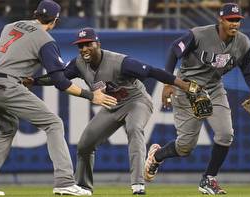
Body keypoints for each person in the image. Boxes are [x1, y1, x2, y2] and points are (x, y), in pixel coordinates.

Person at [0, 0, 117, 196]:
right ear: (55, 20)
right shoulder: (45, 40)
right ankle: (65, 182)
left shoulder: (11, 26)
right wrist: (91, 96)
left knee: (6, 129)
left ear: (35, 13)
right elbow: (61, 82)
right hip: (5, 85)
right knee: (54, 124)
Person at [25, 27, 192, 195]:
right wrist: (35, 81)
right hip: (112, 105)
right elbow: (58, 78)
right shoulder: (79, 63)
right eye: (80, 46)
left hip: (137, 102)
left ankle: (138, 184)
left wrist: (181, 85)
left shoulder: (120, 62)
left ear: (98, 44)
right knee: (85, 145)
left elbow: (151, 71)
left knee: (134, 129)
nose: (84, 49)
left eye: (88, 44)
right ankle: (83, 187)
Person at [144, 3, 250, 195]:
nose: (234, 24)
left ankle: (209, 178)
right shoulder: (198, 34)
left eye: (237, 21)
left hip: (214, 88)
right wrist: (168, 82)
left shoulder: (244, 42)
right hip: (186, 88)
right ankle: (156, 156)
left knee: (226, 134)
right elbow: (174, 51)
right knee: (185, 148)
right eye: (230, 20)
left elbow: (247, 68)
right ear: (221, 19)